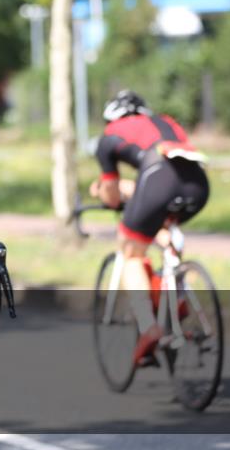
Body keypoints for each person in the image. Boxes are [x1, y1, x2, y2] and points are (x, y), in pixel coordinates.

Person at [88, 90, 209, 364]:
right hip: (198, 183)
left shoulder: (108, 136)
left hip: (158, 178)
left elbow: (112, 194)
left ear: (111, 117)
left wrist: (101, 192)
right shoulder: (167, 121)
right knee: (163, 230)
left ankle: (149, 328)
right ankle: (175, 289)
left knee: (131, 252)